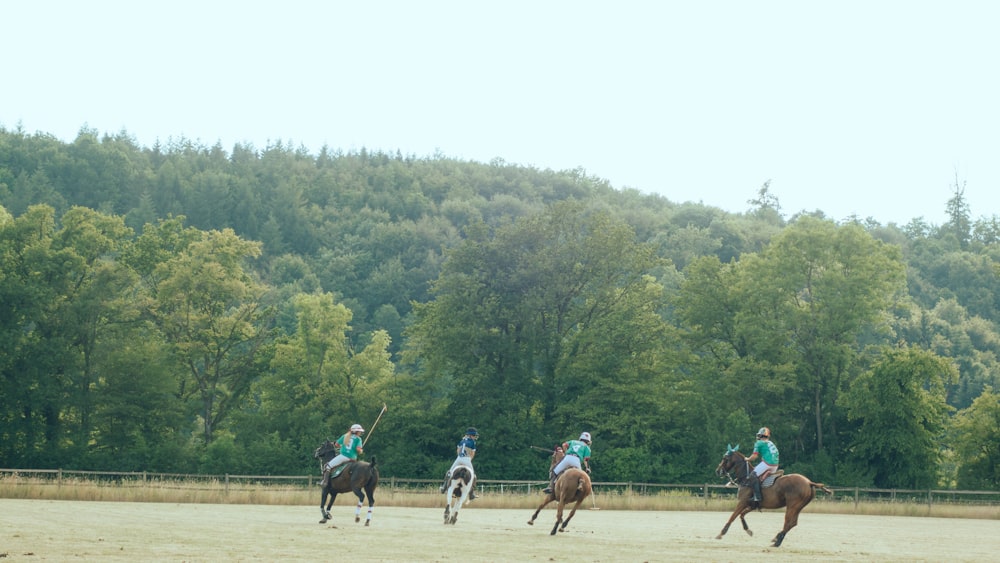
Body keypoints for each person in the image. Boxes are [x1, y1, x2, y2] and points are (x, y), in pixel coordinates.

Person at [744, 426, 779, 509]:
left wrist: (747, 459)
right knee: (760, 477)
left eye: (759, 435)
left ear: (761, 436)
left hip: (767, 463)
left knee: (753, 475)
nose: (758, 437)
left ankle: (757, 497)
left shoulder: (759, 443)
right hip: (775, 465)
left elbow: (754, 456)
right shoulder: (771, 443)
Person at [320, 423, 365, 488]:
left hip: (343, 456)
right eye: (359, 432)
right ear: (356, 432)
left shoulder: (345, 436)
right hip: (353, 458)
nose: (360, 433)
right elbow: (358, 450)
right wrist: (361, 451)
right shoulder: (358, 439)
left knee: (328, 466)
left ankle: (325, 482)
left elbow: (336, 445)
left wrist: (342, 446)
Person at [440, 427, 479, 500]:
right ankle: (471, 494)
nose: (474, 437)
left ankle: (444, 487)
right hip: (467, 459)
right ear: (470, 435)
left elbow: (458, 450)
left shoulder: (462, 440)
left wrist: (460, 458)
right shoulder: (473, 442)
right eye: (473, 435)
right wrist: (469, 460)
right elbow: (473, 453)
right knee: (473, 475)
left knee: (450, 472)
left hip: (459, 458)